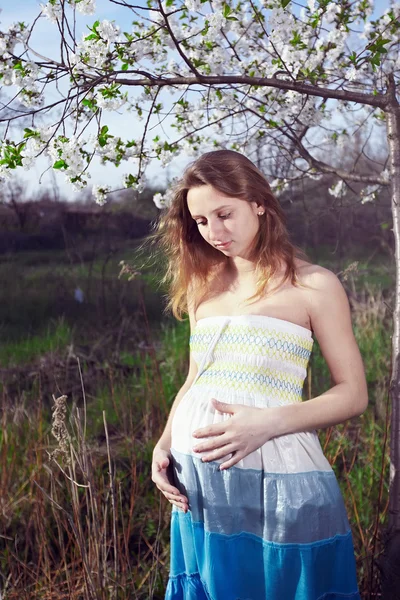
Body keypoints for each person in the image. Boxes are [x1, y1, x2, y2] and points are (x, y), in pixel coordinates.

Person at [151, 149, 368, 600]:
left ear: (259, 203)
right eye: (202, 221)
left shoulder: (314, 285)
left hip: (280, 478)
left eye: (224, 214)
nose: (214, 231)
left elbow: (353, 394)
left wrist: (265, 423)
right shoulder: (202, 287)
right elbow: (195, 380)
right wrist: (164, 444)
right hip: (200, 483)